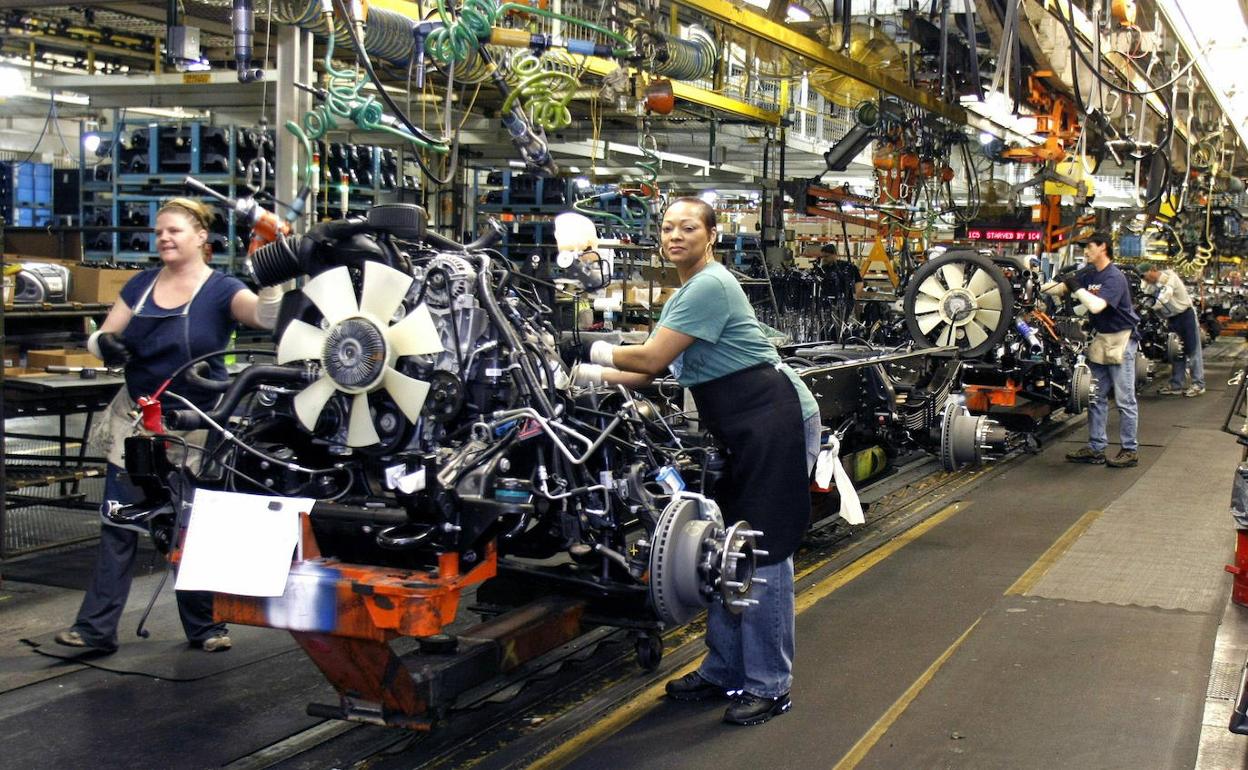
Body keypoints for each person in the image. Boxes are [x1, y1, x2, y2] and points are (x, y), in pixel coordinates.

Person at [573, 197, 821, 726]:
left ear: (711, 235)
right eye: (667, 228)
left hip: (772, 419)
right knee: (723, 550)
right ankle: (724, 670)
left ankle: (769, 684)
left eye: (688, 227)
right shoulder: (685, 292)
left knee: (764, 551)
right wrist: (575, 381)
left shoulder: (710, 284)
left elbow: (648, 359)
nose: (675, 235)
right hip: (739, 426)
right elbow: (642, 377)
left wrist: (582, 349)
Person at [55, 197, 283, 654]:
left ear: (201, 237)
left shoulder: (222, 290)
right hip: (139, 424)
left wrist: (274, 272)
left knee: (192, 529)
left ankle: (204, 627)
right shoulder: (140, 286)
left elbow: (268, 317)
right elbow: (99, 336)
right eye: (159, 231)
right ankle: (96, 630)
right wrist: (107, 345)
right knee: (119, 524)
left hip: (196, 427)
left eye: (174, 230)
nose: (163, 238)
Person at [1061, 232, 1141, 468]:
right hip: (1101, 340)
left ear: (1102, 247)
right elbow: (1060, 290)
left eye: (1089, 246)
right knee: (1095, 396)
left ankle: (1130, 450)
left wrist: (1075, 287)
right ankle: (1096, 448)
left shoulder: (1114, 277)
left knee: (1125, 399)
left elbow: (1095, 306)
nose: (1085, 251)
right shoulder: (1089, 273)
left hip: (1121, 340)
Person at [1138, 261, 1205, 397]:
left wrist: (1151, 305)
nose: (1145, 279)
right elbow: (1145, 296)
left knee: (1192, 351)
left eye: (1145, 276)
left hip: (1186, 316)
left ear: (1153, 269)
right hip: (1172, 319)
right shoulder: (1148, 284)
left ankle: (1198, 384)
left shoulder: (1170, 277)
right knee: (1175, 352)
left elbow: (1165, 296)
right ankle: (1176, 385)